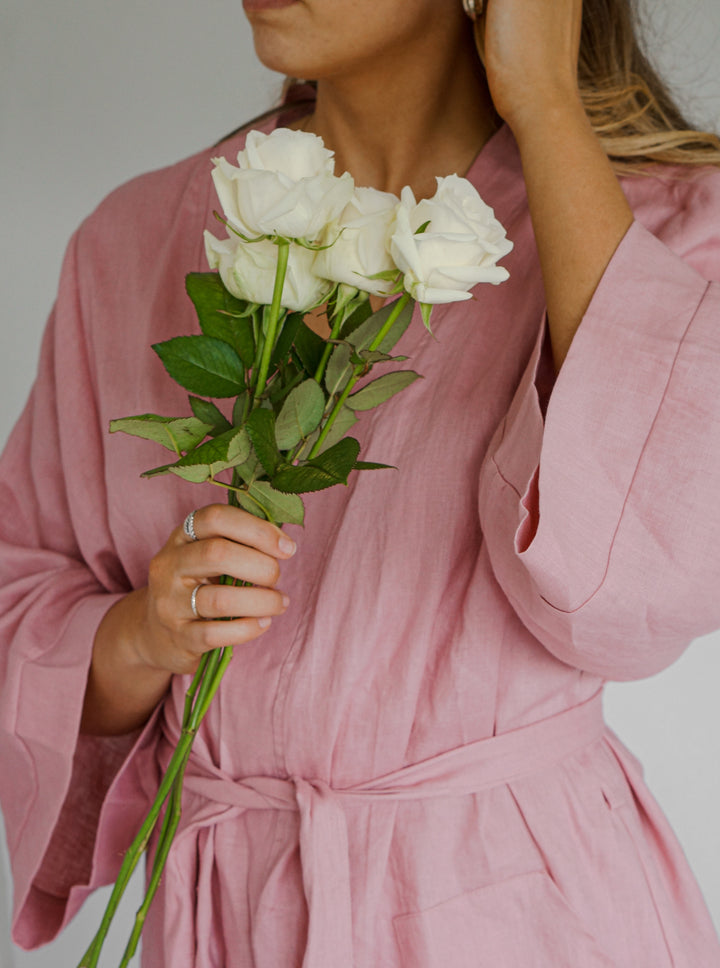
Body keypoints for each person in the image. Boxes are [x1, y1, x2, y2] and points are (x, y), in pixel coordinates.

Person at [2, 0, 720, 964]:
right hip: (221, 922)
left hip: (521, 922)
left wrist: (545, 104)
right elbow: (17, 584)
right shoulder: (134, 243)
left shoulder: (666, 235)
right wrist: (143, 634)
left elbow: (640, 584)